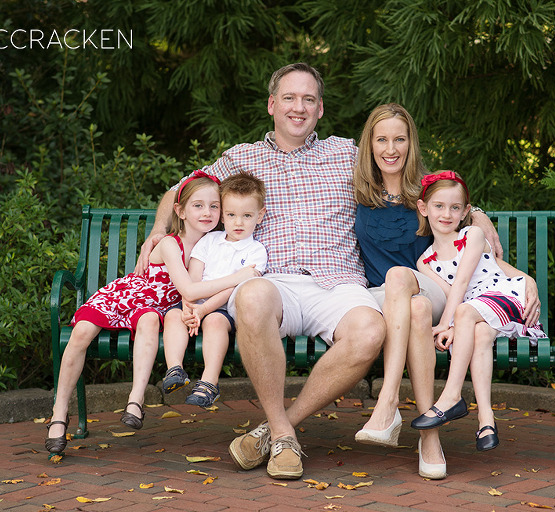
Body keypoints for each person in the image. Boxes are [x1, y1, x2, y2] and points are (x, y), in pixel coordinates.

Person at [135, 62, 386, 480]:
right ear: (272, 104)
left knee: (370, 331)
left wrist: (477, 214)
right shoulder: (241, 158)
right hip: (274, 282)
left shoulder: (349, 154)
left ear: (320, 109)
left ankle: (276, 430)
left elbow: (413, 184)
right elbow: (179, 191)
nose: (298, 107)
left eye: (308, 99)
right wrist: (160, 229)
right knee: (250, 294)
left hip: (337, 282)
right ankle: (285, 433)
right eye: (289, 98)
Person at [45, 173, 260, 453]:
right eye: (197, 206)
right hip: (129, 296)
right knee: (82, 331)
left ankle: (135, 402)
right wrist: (241, 276)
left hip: (158, 309)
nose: (207, 212)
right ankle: (59, 412)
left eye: (214, 206)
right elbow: (190, 290)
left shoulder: (217, 244)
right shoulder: (171, 243)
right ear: (180, 211)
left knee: (149, 320)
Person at [351, 103, 508, 478]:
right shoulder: (356, 189)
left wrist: (480, 215)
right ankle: (429, 434)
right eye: (382, 139)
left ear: (411, 143)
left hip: (433, 286)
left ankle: (388, 401)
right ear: (370, 144)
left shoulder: (426, 188)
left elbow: (460, 210)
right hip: (382, 298)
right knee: (411, 305)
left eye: (400, 139)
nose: (391, 149)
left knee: (403, 282)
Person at [410, 170, 544, 451]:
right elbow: (451, 296)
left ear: (465, 212)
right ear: (423, 208)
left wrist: (448, 325)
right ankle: (486, 420)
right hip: (481, 314)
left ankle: (451, 397)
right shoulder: (425, 261)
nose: (447, 214)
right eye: (439, 206)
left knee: (466, 314)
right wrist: (455, 323)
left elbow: (462, 284)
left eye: (455, 207)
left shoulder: (473, 234)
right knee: (480, 334)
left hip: (508, 299)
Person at [162, 172, 268, 408]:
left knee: (215, 323)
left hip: (223, 309)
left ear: (260, 216)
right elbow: (193, 278)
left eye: (247, 216)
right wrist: (190, 308)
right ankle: (174, 369)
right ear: (223, 216)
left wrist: (204, 310)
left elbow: (233, 288)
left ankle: (209, 383)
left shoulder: (256, 251)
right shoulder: (210, 240)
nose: (238, 223)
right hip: (195, 301)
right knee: (173, 315)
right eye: (231, 215)